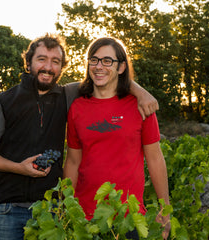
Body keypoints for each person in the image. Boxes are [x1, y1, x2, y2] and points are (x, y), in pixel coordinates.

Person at [0, 33, 159, 240]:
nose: (48, 67)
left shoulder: (68, 95)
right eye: (41, 59)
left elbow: (107, 76)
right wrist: (19, 168)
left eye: (55, 62)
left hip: (52, 209)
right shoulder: (4, 101)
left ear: (62, 67)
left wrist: (140, 92)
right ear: (28, 62)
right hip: (8, 208)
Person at [63, 37, 171, 239]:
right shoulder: (77, 108)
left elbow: (155, 159)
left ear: (121, 67)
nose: (99, 66)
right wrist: (64, 206)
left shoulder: (141, 106)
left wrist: (165, 210)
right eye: (94, 60)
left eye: (107, 61)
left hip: (127, 218)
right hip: (85, 218)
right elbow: (72, 161)